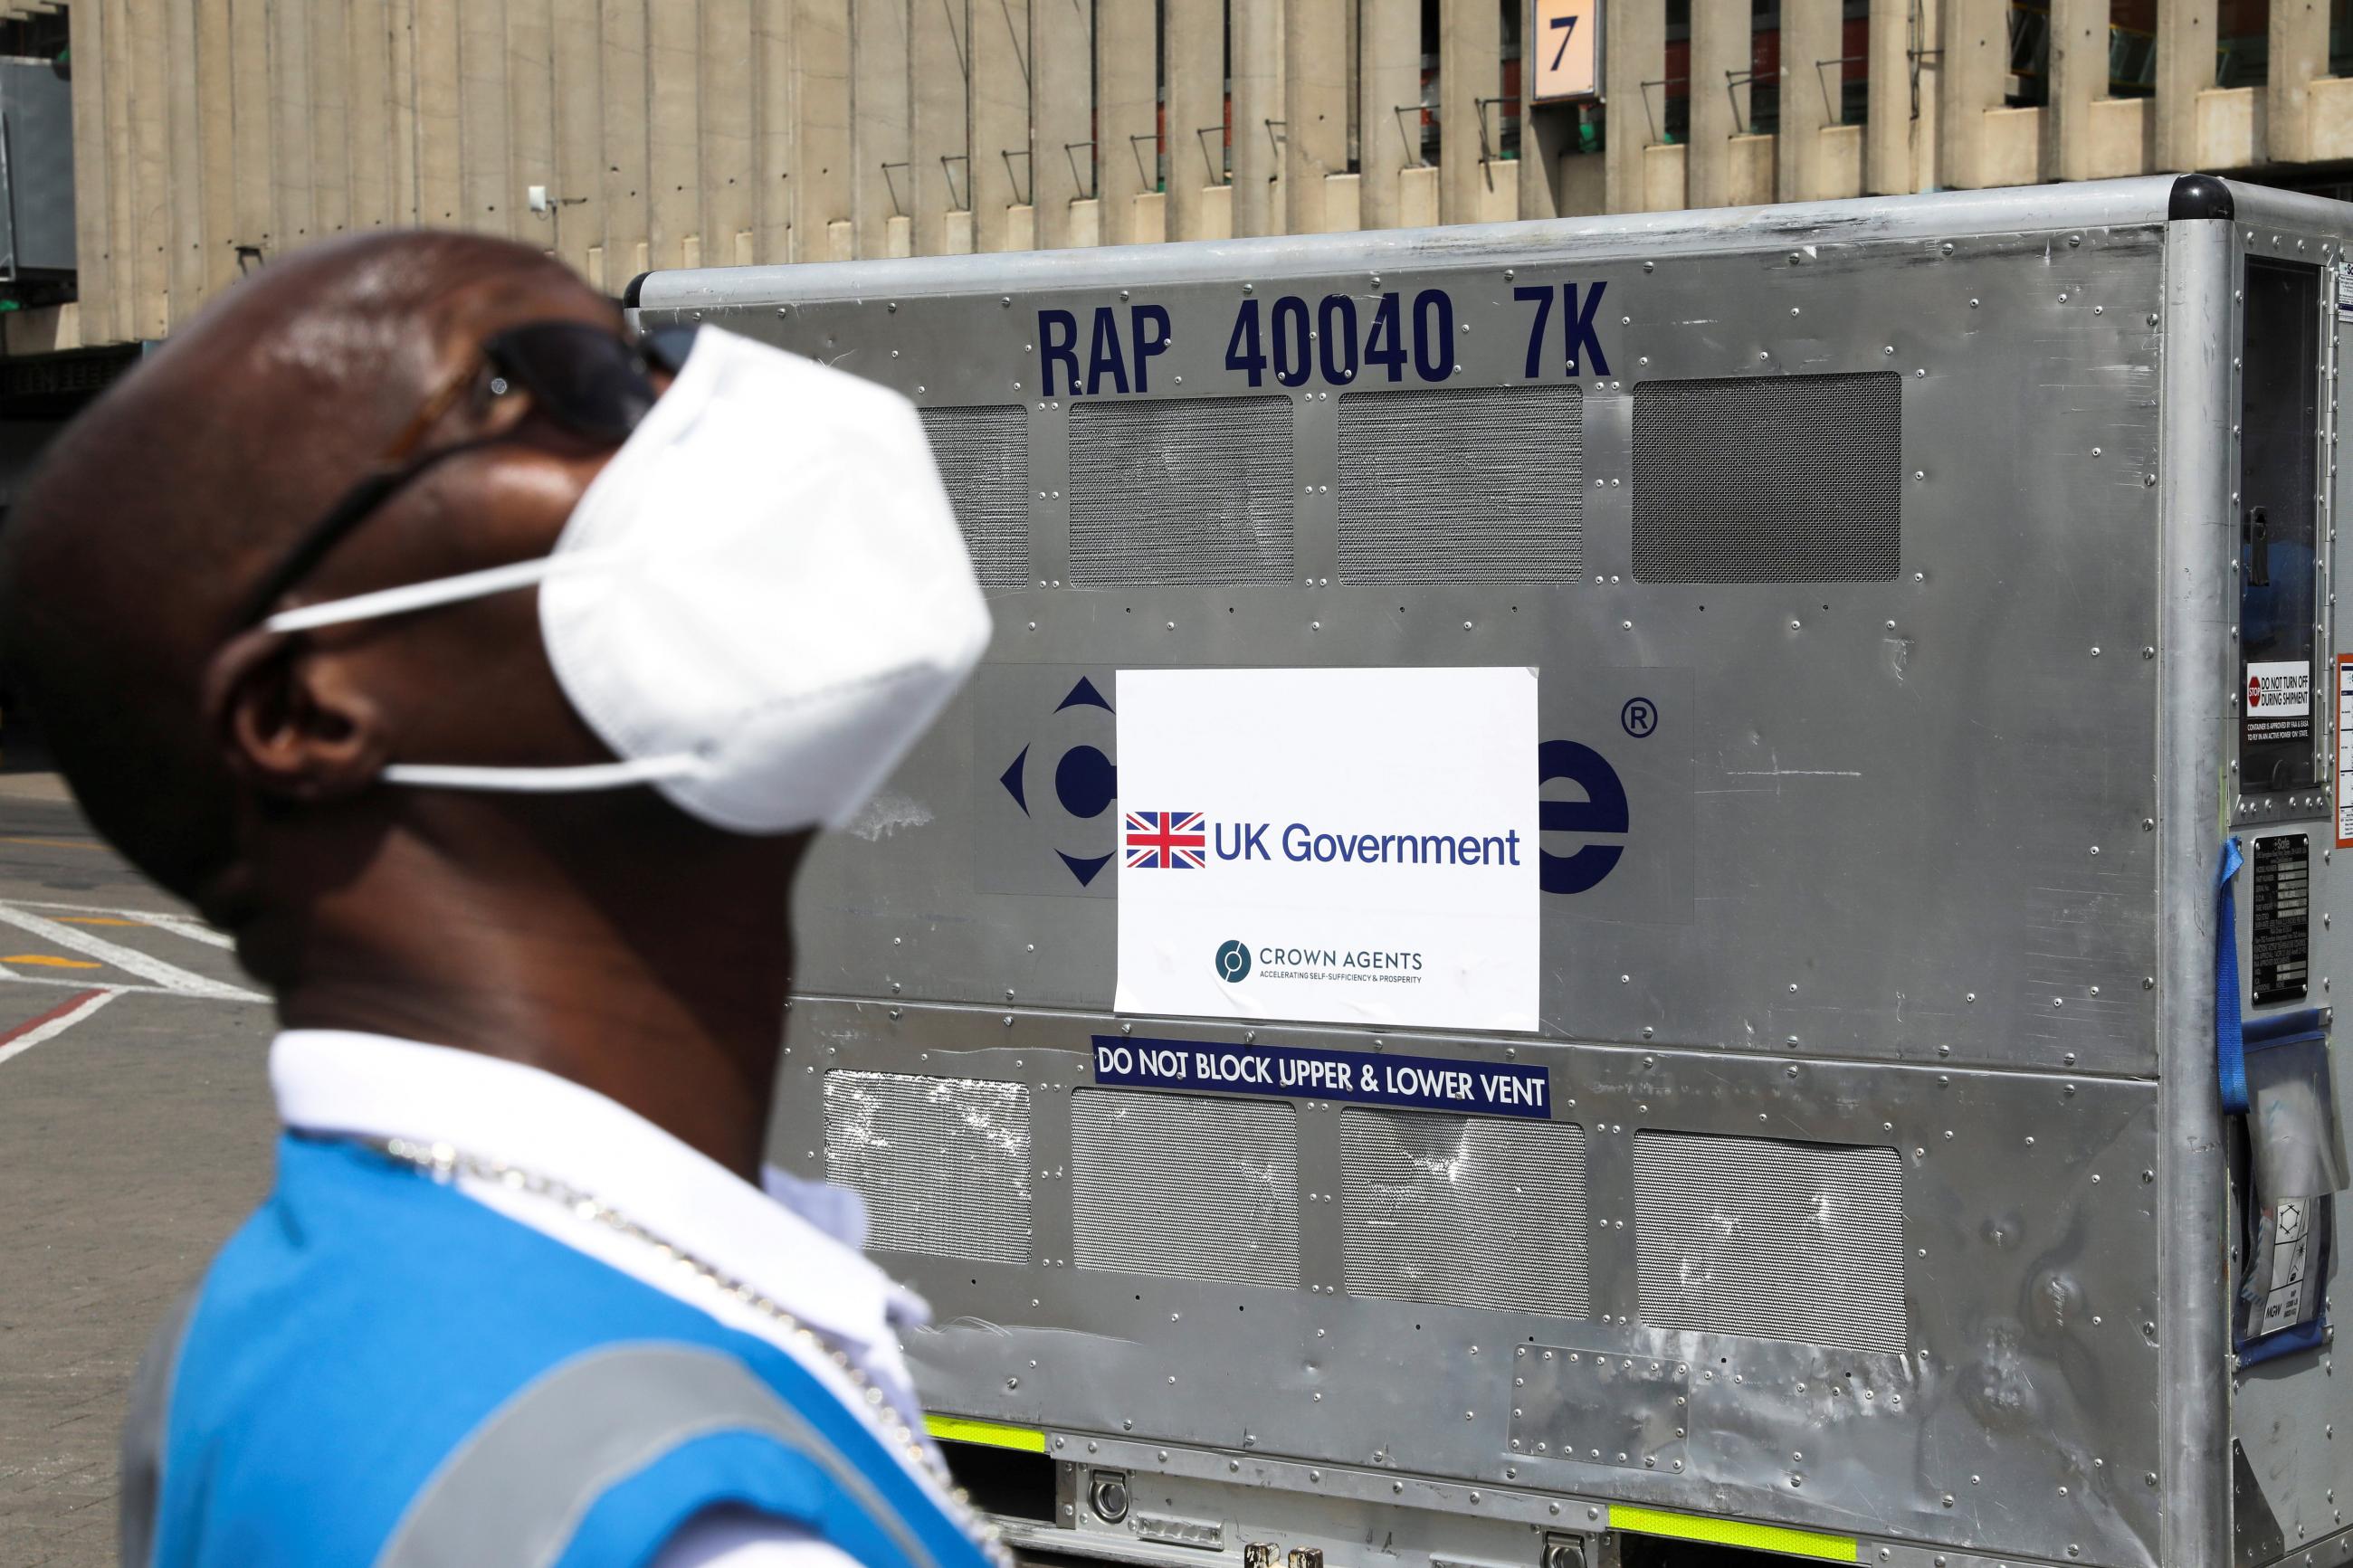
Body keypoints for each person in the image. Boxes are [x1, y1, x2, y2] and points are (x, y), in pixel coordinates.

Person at [0, 231, 996, 1568]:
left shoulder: (247, 1340)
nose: (693, 411)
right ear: (307, 709)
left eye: (655, 356)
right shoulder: (714, 1529)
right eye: (556, 378)